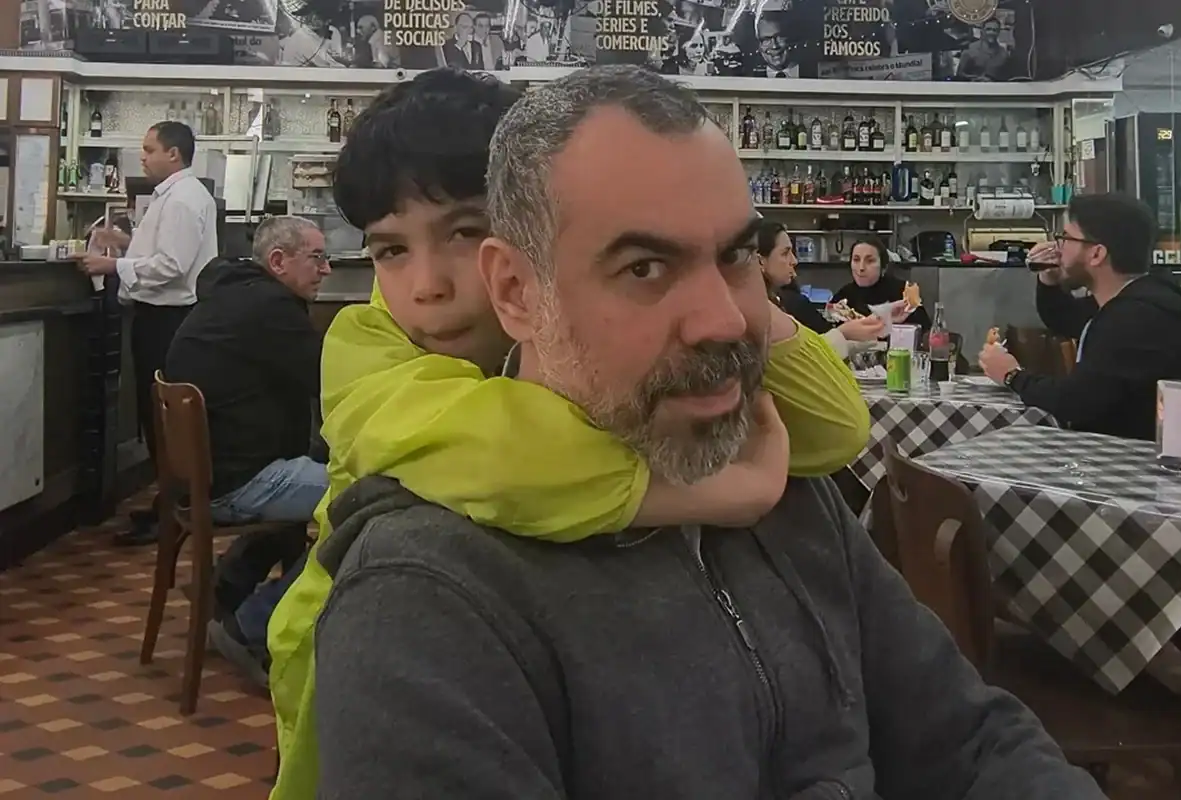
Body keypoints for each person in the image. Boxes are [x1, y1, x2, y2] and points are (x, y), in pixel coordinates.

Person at [312, 65, 1102, 799]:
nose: (723, 320)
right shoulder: (427, 600)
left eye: (735, 257)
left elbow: (972, 742)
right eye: (644, 268)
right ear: (515, 289)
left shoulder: (785, 490)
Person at [267, 68, 870, 799]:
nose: (425, 285)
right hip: (341, 679)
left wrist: (725, 284)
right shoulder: (368, 342)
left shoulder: (592, 341)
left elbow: (835, 429)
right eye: (391, 249)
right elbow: (496, 454)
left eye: (464, 231)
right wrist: (713, 493)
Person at [164, 215, 331, 683]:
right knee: (366, 502)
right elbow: (332, 382)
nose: (327, 269)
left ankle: (224, 590)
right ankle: (254, 625)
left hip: (206, 476)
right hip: (238, 481)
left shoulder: (233, 291)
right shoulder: (270, 308)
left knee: (310, 467)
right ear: (278, 261)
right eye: (317, 258)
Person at [72, 121, 218, 547]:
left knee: (165, 422)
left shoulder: (183, 199)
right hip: (162, 317)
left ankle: (173, 513)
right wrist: (125, 241)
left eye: (149, 149)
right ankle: (167, 504)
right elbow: (163, 252)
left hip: (169, 320)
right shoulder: (173, 195)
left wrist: (112, 265)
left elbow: (171, 266)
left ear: (174, 153)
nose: (143, 156)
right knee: (157, 419)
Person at [979, 193, 1181, 441]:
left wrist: (1012, 375)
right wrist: (1050, 280)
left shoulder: (1135, 317)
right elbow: (1067, 319)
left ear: (1096, 254)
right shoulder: (1139, 297)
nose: (1057, 249)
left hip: (1137, 459)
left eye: (1065, 238)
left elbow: (1076, 402)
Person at [756, 219, 884, 358]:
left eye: (870, 260)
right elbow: (798, 356)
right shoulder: (767, 309)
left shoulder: (778, 300)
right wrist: (843, 333)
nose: (794, 261)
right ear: (760, 261)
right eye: (785, 253)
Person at [831, 236, 932, 330]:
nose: (861, 268)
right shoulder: (844, 295)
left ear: (883, 267)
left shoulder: (903, 292)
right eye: (856, 260)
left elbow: (927, 333)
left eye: (870, 261)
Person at [956, 17, 1010, 82]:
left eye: (995, 30)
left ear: (998, 32)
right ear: (982, 31)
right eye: (988, 29)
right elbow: (959, 75)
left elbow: (1006, 78)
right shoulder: (970, 50)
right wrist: (976, 78)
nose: (991, 33)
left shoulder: (1003, 54)